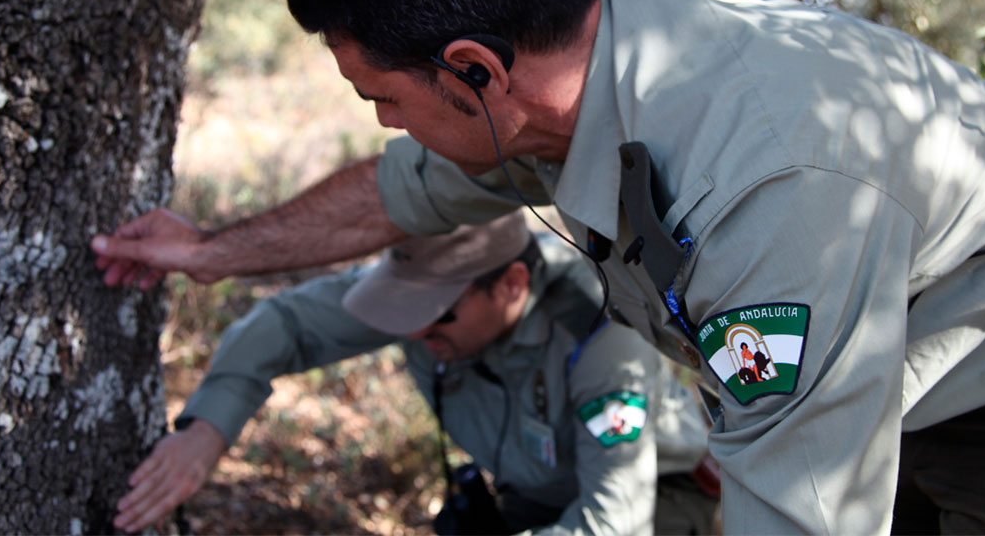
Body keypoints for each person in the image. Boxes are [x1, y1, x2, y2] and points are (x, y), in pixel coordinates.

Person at [93, 0, 985, 534]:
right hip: (890, 393)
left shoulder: (766, 177)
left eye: (381, 94)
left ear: (473, 68)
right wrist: (207, 252)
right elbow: (397, 195)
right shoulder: (562, 73)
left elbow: (801, 510)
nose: (383, 120)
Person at [111, 212, 718, 535]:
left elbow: (617, 523)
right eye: (406, 312)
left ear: (512, 286)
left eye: (432, 319)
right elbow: (288, 324)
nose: (414, 334)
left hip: (650, 504)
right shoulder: (429, 291)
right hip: (532, 498)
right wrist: (205, 431)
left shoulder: (598, 333)